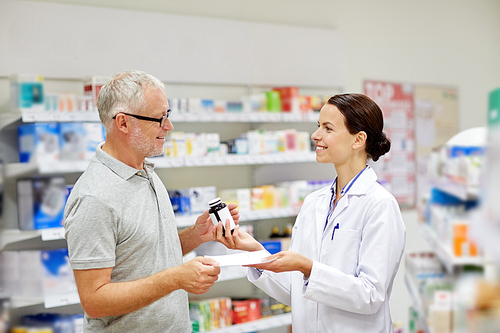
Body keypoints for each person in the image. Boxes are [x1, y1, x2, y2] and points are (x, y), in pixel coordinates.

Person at [63, 70, 239, 332]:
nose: (168, 126)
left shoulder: (145, 172)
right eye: (159, 119)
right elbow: (95, 301)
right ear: (122, 123)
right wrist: (176, 279)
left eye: (167, 116)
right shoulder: (95, 197)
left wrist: (195, 235)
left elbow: (144, 259)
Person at [217, 93, 406, 333]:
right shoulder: (313, 203)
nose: (315, 135)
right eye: (318, 126)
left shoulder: (379, 205)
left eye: (328, 128)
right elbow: (296, 291)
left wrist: (308, 267)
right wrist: (253, 250)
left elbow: (370, 295)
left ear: (358, 139)